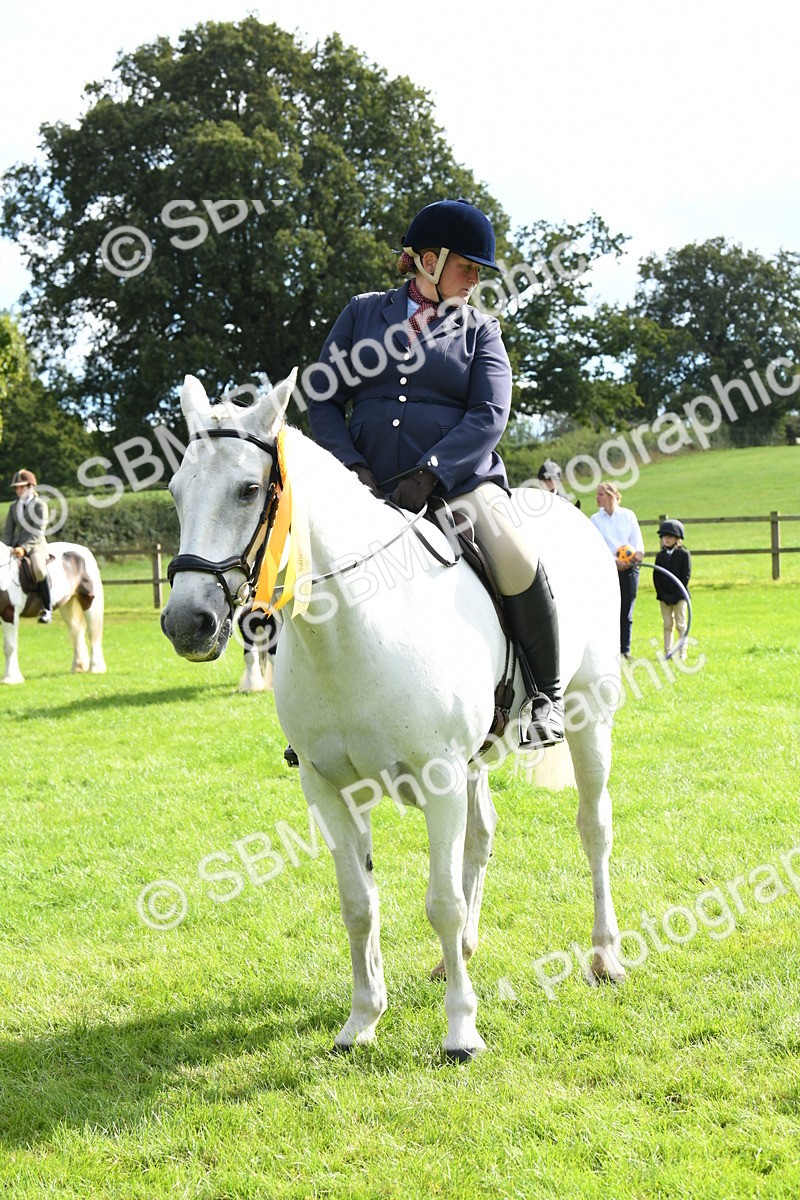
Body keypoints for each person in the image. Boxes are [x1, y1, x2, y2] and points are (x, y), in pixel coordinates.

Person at [306, 198, 564, 748]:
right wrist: (352, 468)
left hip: (460, 488)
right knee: (307, 562)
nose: (475, 280)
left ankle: (547, 694)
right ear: (429, 260)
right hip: (367, 489)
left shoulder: (482, 330)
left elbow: (489, 414)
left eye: (478, 271)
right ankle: (313, 714)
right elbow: (322, 397)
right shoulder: (362, 314)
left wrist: (432, 472)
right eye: (467, 267)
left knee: (515, 553)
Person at [589, 481, 644, 659]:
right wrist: (614, 562)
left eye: (600, 494)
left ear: (611, 496)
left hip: (630, 569)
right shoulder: (595, 520)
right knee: (608, 609)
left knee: (626, 610)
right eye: (597, 494)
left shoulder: (628, 516)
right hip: (607, 569)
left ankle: (625, 650)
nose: (597, 498)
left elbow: (637, 542)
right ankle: (608, 649)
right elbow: (596, 546)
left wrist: (636, 557)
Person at [3, 468, 52, 622]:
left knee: (39, 569)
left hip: (36, 545)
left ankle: (47, 608)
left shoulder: (40, 505)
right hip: (16, 545)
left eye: (21, 487)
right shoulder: (13, 506)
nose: (18, 490)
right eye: (16, 488)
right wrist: (4, 548)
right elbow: (8, 531)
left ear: (31, 487)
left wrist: (24, 548)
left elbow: (38, 531)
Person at [654, 519, 691, 660]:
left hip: (679, 596)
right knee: (667, 624)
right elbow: (656, 576)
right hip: (664, 597)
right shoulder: (660, 556)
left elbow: (685, 576)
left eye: (669, 536)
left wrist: (676, 595)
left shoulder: (684, 554)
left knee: (681, 624)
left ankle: (682, 652)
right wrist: (662, 594)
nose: (666, 539)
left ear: (677, 538)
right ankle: (668, 651)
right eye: (664, 536)